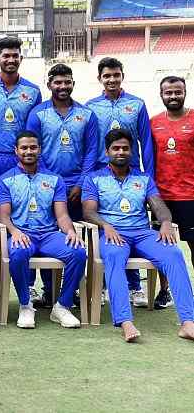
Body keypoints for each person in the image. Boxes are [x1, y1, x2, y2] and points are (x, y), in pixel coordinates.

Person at [82, 129, 194, 343]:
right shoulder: (94, 179)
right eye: (116, 148)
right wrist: (106, 225)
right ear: (107, 152)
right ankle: (125, 321)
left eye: (125, 148)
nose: (121, 152)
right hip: (113, 234)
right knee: (114, 257)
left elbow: (158, 205)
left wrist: (166, 222)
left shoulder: (143, 178)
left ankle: (188, 322)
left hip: (143, 233)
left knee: (173, 254)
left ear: (132, 152)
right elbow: (88, 211)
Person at [0, 131, 85, 329]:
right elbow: (4, 216)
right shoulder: (5, 180)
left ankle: (62, 306)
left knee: (78, 252)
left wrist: (70, 231)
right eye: (24, 148)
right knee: (17, 253)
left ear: (40, 150)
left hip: (49, 235)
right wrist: (15, 231)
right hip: (22, 234)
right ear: (16, 151)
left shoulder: (54, 179)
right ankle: (26, 305)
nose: (29, 151)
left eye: (33, 147)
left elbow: (61, 215)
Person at [87, 57, 154, 307]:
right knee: (109, 227)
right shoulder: (92, 107)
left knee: (134, 225)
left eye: (116, 75)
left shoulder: (136, 104)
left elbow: (146, 143)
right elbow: (91, 143)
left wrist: (150, 177)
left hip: (133, 174)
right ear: (100, 79)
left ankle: (135, 287)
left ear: (122, 76)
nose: (112, 80)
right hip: (102, 174)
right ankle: (104, 285)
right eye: (107, 76)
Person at [0, 36, 42, 219]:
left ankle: (17, 244)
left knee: (20, 206)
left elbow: (34, 132)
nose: (11, 60)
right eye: (6, 56)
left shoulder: (33, 91)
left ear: (21, 58)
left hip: (20, 158)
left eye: (15, 55)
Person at [26, 63, 98, 222]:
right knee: (49, 229)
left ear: (73, 84)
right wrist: (50, 180)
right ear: (49, 85)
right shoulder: (37, 114)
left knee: (81, 232)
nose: (63, 86)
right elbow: (32, 150)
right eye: (58, 82)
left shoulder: (87, 114)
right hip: (46, 181)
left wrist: (81, 183)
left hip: (77, 184)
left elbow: (91, 151)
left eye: (67, 82)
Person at [151, 75, 194, 309]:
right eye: (169, 93)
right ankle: (164, 291)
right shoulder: (154, 122)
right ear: (162, 95)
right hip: (162, 197)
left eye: (178, 92)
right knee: (163, 246)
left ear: (185, 92)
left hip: (191, 196)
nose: (173, 96)